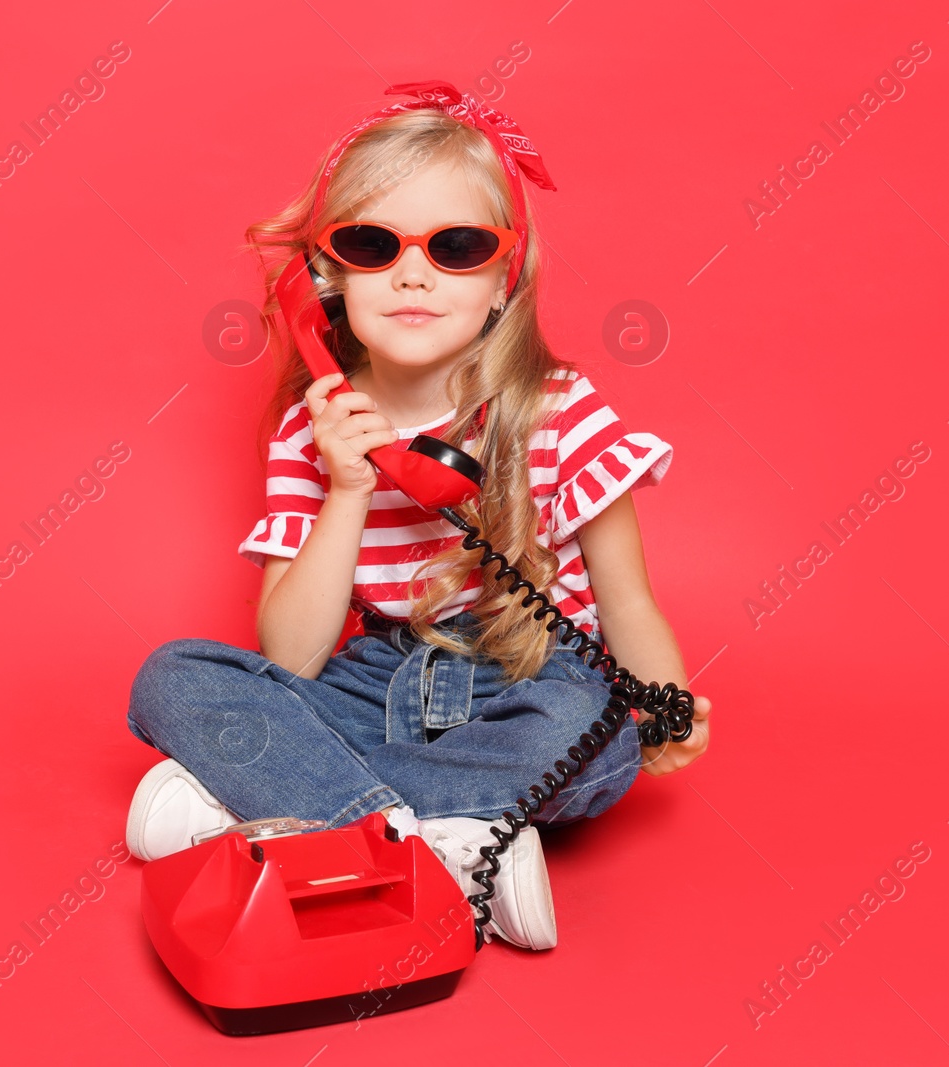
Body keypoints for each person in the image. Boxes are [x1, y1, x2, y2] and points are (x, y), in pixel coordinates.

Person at [125, 82, 711, 951]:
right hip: (374, 685)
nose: (412, 273)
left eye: (456, 247)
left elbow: (625, 601)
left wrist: (664, 702)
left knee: (589, 737)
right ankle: (449, 844)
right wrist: (350, 485)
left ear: (503, 277)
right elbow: (292, 656)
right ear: (324, 277)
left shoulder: (561, 412)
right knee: (172, 674)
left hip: (531, 679)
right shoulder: (311, 434)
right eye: (371, 243)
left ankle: (266, 805)